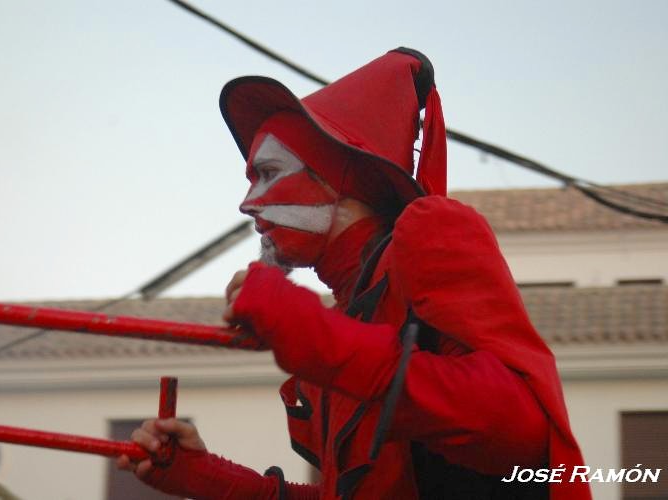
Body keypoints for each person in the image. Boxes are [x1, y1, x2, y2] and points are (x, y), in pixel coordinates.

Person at [118, 48, 591, 499]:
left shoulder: (429, 232)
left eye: (268, 173)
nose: (247, 204)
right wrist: (207, 480)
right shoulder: (345, 314)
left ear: (337, 178)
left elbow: (523, 432)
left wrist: (315, 332)